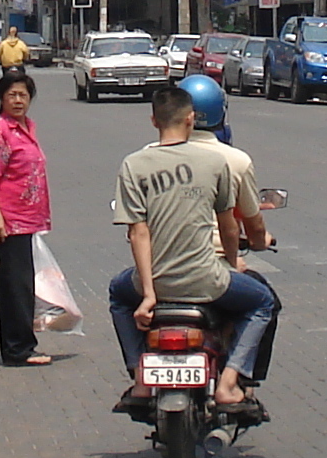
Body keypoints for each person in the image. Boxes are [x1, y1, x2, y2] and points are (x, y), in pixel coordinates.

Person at [107, 84, 276, 410]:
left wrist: (149, 292)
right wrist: (229, 264)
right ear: (190, 119)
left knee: (117, 293)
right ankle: (229, 383)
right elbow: (229, 226)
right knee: (263, 302)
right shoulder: (215, 163)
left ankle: (141, 379)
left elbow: (138, 234)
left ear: (153, 121)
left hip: (153, 281)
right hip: (207, 280)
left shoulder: (133, 164)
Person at [0, 72, 53, 367]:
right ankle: (18, 349)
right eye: (12, 95)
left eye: (23, 95)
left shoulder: (26, 128)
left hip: (28, 218)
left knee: (20, 282)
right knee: (14, 284)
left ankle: (21, 343)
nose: (18, 100)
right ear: (1, 98)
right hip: (10, 219)